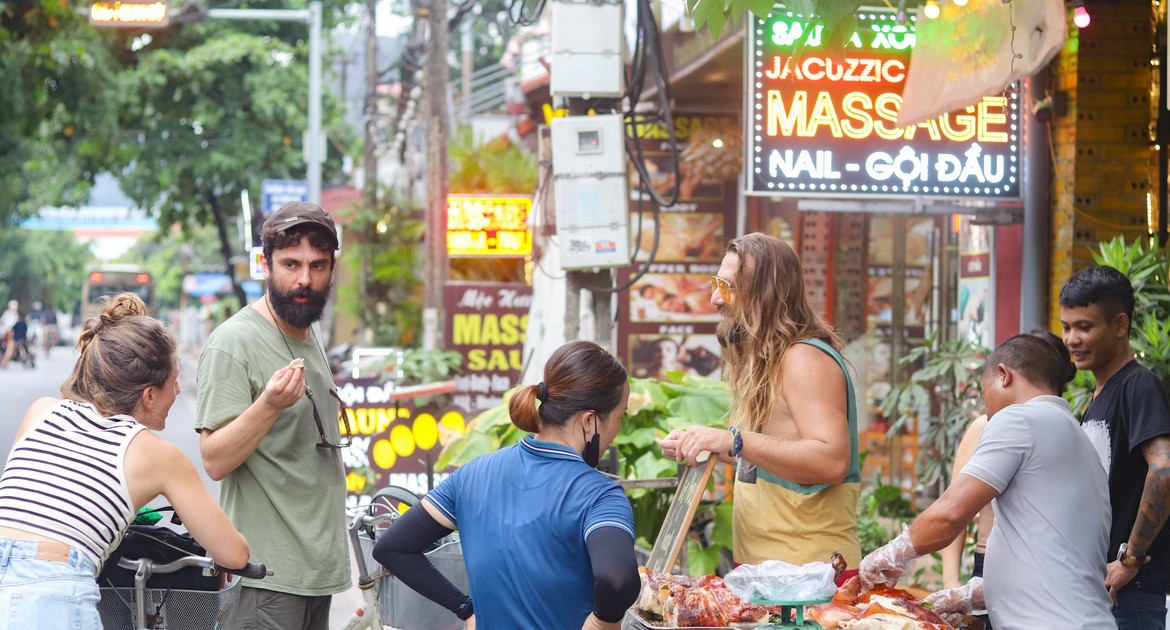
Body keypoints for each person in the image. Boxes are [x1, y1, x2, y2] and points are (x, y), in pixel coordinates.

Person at [0, 293, 249, 627]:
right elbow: (234, 554)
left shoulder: (42, 410)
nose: (178, 390)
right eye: (173, 381)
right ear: (149, 395)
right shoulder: (157, 454)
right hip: (50, 593)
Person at [372, 341, 640, 630]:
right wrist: (603, 623)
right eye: (619, 418)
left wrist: (465, 609)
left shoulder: (473, 474)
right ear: (589, 421)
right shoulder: (599, 495)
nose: (617, 431)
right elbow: (618, 579)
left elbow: (393, 547)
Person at [858, 334, 1115, 630]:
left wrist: (892, 553)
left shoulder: (1019, 419)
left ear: (1003, 375)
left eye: (984, 396)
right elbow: (1054, 557)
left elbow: (950, 514)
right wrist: (971, 595)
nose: (987, 412)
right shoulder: (1077, 439)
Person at [658, 233, 862, 572]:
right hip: (770, 574)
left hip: (808, 578)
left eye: (727, 288)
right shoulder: (770, 357)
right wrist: (706, 443)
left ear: (764, 295)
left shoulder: (804, 357)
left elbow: (831, 461)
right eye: (715, 284)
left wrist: (734, 440)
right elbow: (769, 455)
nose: (713, 299)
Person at [195, 201, 350, 630]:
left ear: (332, 267)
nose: (305, 279)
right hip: (267, 577)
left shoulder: (309, 330)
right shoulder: (234, 342)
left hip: (317, 573)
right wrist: (268, 405)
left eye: (318, 266)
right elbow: (214, 460)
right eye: (291, 264)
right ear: (265, 264)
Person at [1059, 265, 1170, 629]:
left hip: (1130, 595)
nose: (1072, 339)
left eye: (1085, 326)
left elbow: (1166, 468)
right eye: (1067, 327)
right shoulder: (1099, 394)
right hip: (1104, 590)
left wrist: (1130, 558)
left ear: (1120, 325)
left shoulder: (1137, 385)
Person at [939, 330, 1077, 630]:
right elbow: (954, 510)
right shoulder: (986, 426)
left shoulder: (1064, 430)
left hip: (1044, 571)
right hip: (989, 566)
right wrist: (952, 587)